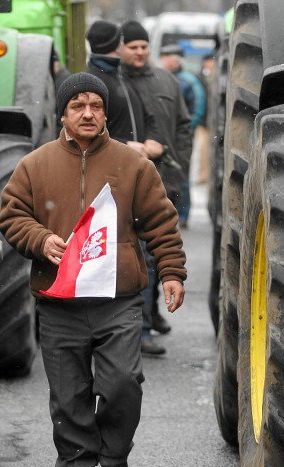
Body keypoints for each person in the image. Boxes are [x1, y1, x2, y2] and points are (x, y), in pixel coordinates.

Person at [0, 72, 186, 467]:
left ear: (105, 113)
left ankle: (115, 458)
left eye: (96, 106)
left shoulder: (133, 165)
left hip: (117, 300)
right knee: (68, 394)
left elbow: (160, 222)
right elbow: (11, 216)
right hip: (59, 301)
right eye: (78, 106)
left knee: (123, 382)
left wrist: (172, 273)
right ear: (62, 114)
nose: (88, 113)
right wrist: (40, 239)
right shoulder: (35, 165)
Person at [120, 20, 192, 355]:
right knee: (141, 256)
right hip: (130, 184)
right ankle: (142, 325)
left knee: (162, 250)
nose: (139, 52)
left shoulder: (167, 81)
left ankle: (152, 313)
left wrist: (181, 166)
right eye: (132, 47)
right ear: (121, 48)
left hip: (166, 179)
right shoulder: (116, 84)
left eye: (143, 47)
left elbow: (183, 126)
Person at [84, 20, 164, 159]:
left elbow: (147, 116)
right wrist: (124, 145)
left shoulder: (122, 75)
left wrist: (152, 138)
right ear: (116, 47)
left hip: (133, 165)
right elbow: (86, 134)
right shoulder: (91, 82)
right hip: (109, 167)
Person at [159, 43, 208, 223]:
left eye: (170, 58)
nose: (167, 61)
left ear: (177, 60)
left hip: (181, 137)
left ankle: (183, 214)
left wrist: (186, 129)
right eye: (164, 58)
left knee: (181, 172)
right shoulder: (159, 78)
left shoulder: (188, 81)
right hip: (162, 135)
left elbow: (198, 107)